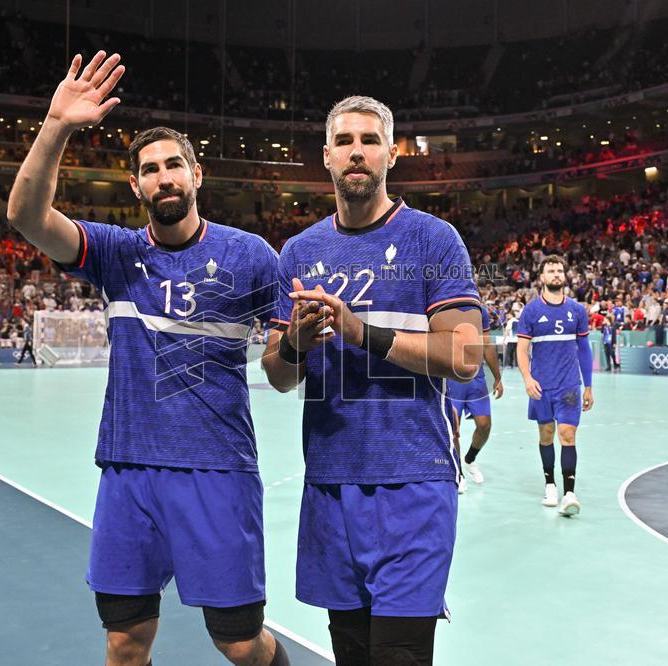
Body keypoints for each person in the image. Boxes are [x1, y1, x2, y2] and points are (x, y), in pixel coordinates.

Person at [6, 51, 289, 666]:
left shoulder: (254, 257)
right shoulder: (114, 253)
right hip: (129, 471)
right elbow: (26, 217)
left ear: (196, 174)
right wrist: (55, 126)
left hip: (217, 471)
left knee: (239, 643)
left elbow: (285, 369)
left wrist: (297, 348)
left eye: (173, 166)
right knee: (124, 642)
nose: (163, 177)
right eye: (150, 170)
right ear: (136, 185)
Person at [262, 95, 483, 665]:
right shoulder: (299, 253)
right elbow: (279, 376)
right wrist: (296, 343)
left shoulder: (433, 241)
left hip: (413, 482)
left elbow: (465, 356)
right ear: (327, 158)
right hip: (331, 483)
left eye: (368, 141)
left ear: (390, 155)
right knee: (353, 655)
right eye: (344, 141)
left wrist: (364, 334)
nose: (356, 152)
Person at [516, 256, 594, 517]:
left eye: (560, 270)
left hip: (570, 386)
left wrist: (589, 386)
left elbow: (584, 349)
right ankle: (550, 485)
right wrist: (527, 378)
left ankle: (570, 493)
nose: (556, 274)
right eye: (551, 271)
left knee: (568, 435)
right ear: (542, 277)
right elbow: (522, 349)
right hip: (541, 385)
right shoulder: (531, 311)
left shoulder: (577, 310)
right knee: (546, 436)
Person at [447, 288, 503, 488]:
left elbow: (487, 346)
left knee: (484, 424)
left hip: (476, 377)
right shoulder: (443, 307)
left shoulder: (481, 312)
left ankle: (470, 459)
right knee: (454, 429)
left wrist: (497, 377)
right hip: (451, 376)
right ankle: (458, 473)